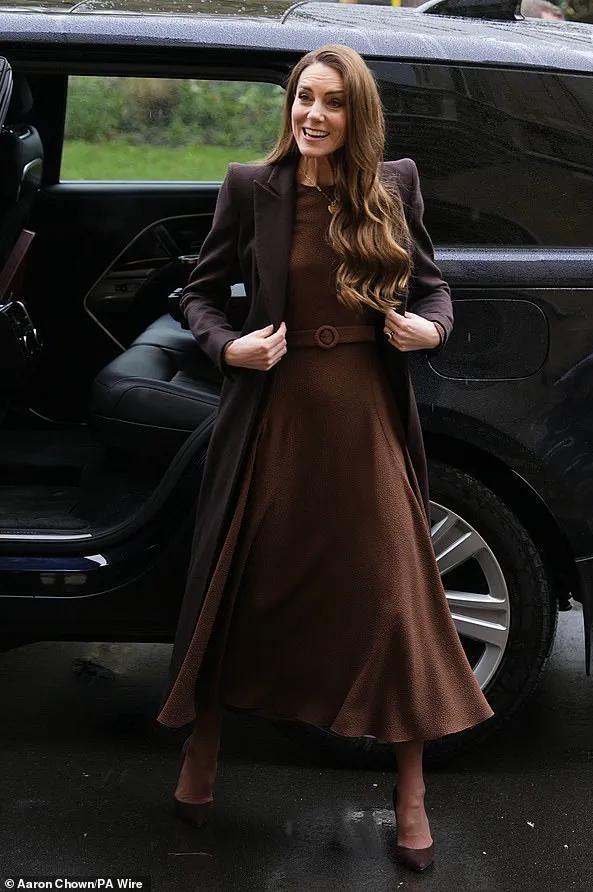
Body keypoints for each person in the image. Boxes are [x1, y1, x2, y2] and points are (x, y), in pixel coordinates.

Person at [156, 43, 493, 873]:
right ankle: (203, 753)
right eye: (304, 98)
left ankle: (411, 795)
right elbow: (197, 291)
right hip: (276, 414)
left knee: (391, 600)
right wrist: (229, 347)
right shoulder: (252, 187)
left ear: (357, 114)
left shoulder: (392, 185)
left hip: (366, 417)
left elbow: (432, 286)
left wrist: (431, 329)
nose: (313, 114)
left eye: (333, 103)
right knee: (248, 587)